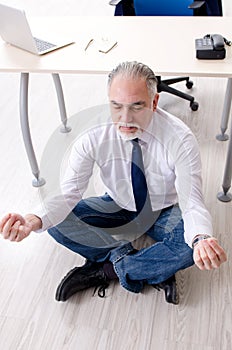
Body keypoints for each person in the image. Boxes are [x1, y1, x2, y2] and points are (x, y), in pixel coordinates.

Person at [0, 61, 227, 305]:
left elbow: (192, 202)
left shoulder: (180, 139)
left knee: (188, 248)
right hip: (118, 203)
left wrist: (200, 239)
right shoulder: (93, 134)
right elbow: (68, 193)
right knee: (55, 222)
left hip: (164, 209)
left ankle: (105, 270)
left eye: (137, 106)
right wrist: (32, 220)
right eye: (116, 106)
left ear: (154, 102)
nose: (125, 118)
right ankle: (148, 268)